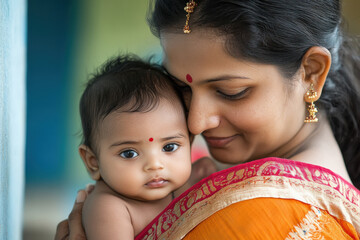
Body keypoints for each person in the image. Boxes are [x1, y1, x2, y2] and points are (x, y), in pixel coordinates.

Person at [55, 0, 360, 239]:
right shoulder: (197, 174)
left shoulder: (272, 215)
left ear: (311, 72)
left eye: (231, 91)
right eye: (181, 89)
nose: (196, 124)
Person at [75, 54, 194, 239]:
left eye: (169, 147)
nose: (155, 165)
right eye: (129, 153)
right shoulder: (109, 207)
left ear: (190, 142)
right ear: (93, 162)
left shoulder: (182, 186)